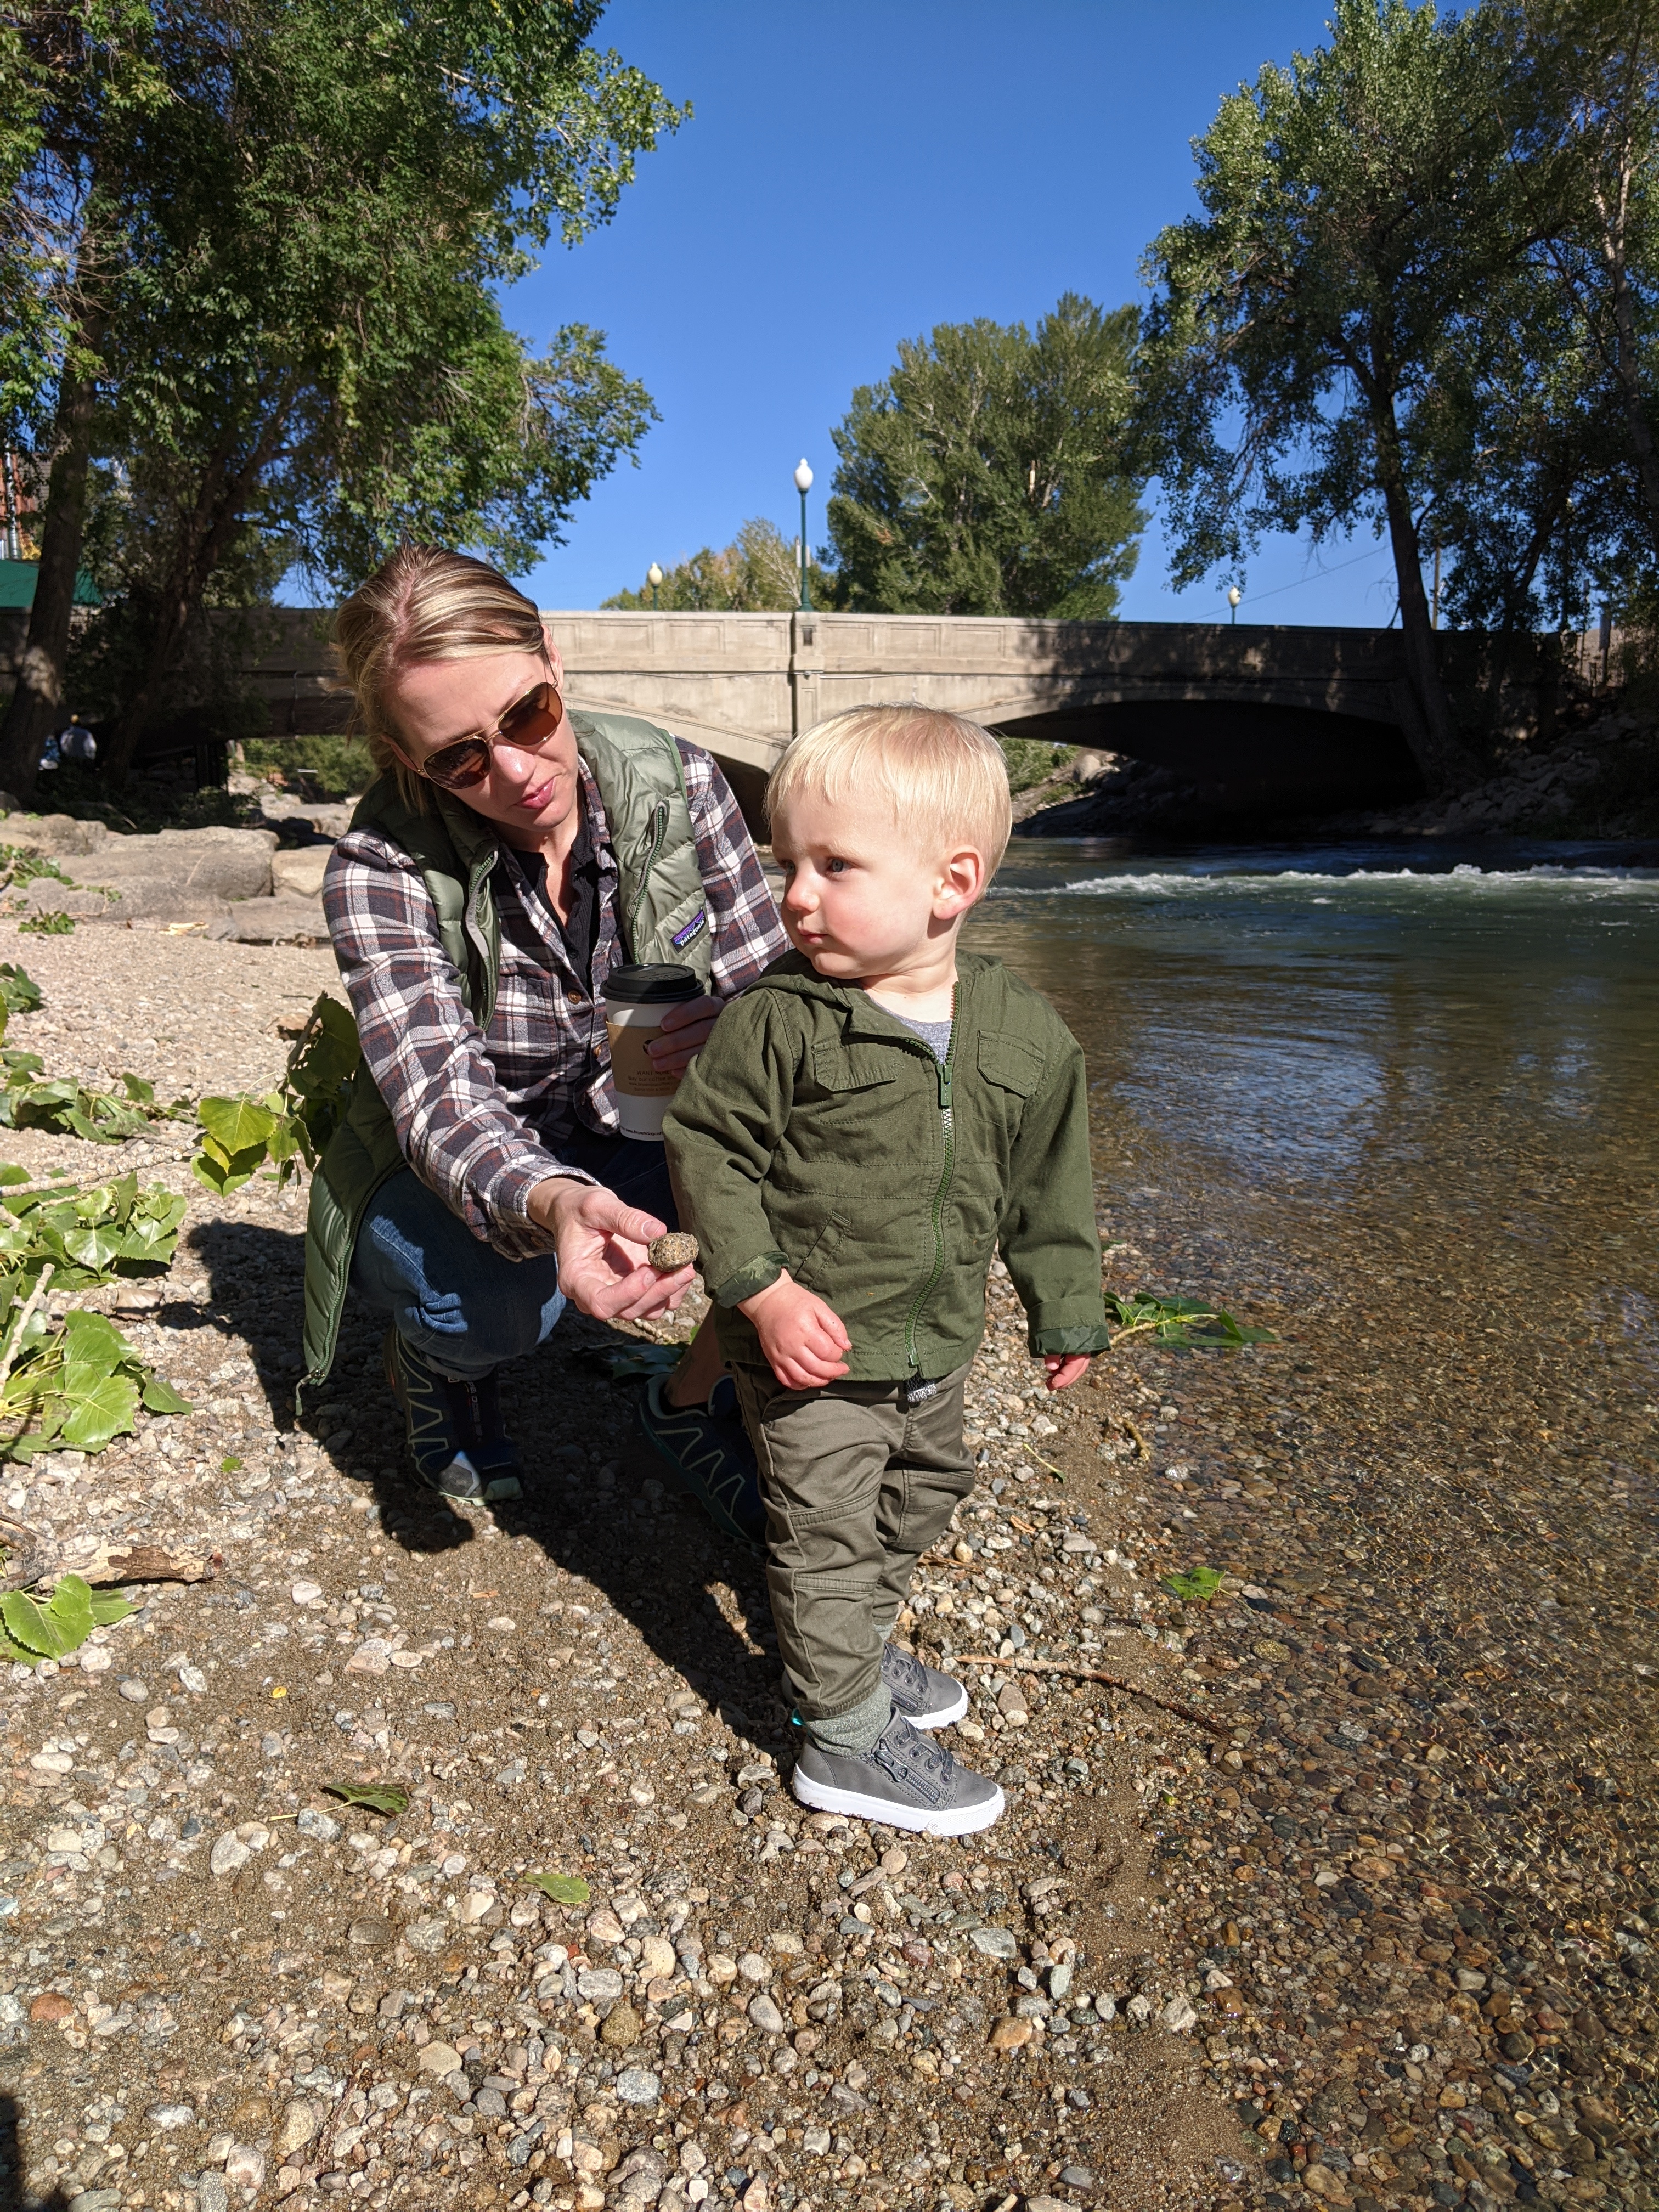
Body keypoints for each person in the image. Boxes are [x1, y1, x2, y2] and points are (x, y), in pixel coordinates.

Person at [663, 707, 1110, 1836]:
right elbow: (708, 1150)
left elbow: (1053, 1186)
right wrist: (760, 1287)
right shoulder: (781, 1021)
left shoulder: (1025, 1036)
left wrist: (1068, 1306)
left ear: (950, 884)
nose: (794, 895)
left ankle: (851, 1644)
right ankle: (844, 1740)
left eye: (834, 866)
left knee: (922, 1494)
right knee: (821, 1529)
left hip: (936, 1341)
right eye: (787, 866)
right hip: (809, 1353)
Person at [300, 545, 788, 1520]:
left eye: (527, 716)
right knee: (490, 1309)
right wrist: (557, 1205)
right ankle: (441, 1361)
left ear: (553, 661)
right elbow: (441, 1100)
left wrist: (736, 1027)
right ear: (410, 761)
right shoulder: (377, 868)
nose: (517, 773)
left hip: (645, 1131)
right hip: (456, 1162)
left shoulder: (683, 784)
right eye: (461, 757)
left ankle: (696, 1398)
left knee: (834, 1173)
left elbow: (784, 1002)